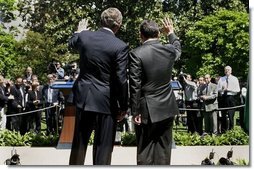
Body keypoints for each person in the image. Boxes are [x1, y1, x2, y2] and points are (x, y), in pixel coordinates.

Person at [68, 7, 129, 165]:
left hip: (84, 98)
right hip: (106, 101)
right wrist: (123, 106)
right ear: (119, 25)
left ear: (101, 21)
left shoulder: (85, 37)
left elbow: (72, 42)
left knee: (78, 144)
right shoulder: (120, 46)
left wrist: (78, 32)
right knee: (103, 147)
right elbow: (121, 79)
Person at [129, 18, 181, 165]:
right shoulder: (169, 50)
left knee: (145, 151)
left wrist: (135, 111)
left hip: (147, 108)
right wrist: (171, 32)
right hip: (167, 106)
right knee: (164, 150)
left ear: (141, 35)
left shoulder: (136, 53)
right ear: (158, 33)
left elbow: (135, 85)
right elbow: (177, 47)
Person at [217, 66, 240, 132]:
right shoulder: (221, 79)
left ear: (231, 71)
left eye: (228, 70)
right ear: (224, 71)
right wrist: (222, 89)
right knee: (223, 115)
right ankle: (223, 131)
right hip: (223, 98)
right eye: (225, 70)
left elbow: (238, 90)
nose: (227, 71)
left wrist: (229, 89)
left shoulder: (234, 79)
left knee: (231, 116)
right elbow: (218, 89)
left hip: (231, 98)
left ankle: (231, 130)